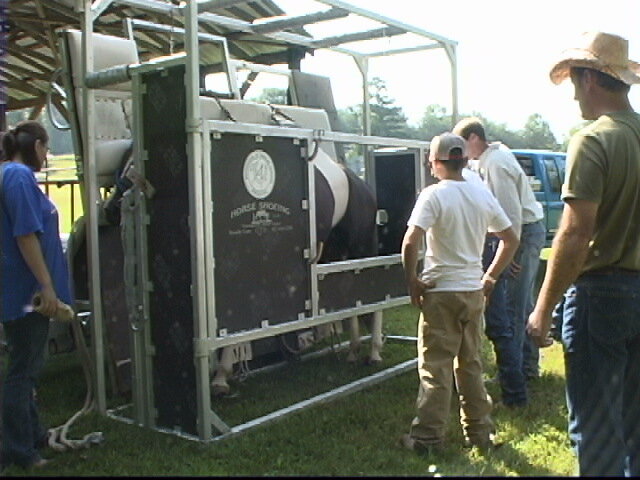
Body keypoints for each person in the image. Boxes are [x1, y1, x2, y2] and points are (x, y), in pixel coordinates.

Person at [528, 31, 640, 476]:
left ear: (591, 79)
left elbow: (575, 235)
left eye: (575, 82)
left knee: (596, 427)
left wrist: (542, 308)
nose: (574, 95)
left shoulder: (593, 139)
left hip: (602, 297)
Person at [400, 133, 518, 452]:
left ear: (436, 163)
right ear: (465, 161)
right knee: (471, 365)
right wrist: (490, 277)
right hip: (472, 291)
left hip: (441, 292)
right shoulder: (481, 195)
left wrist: (412, 280)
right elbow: (510, 238)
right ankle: (480, 434)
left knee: (435, 367)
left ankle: (427, 438)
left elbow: (411, 240)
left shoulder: (433, 195)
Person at [453, 117, 545, 407]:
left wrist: (509, 257)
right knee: (522, 304)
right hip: (521, 233)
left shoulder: (495, 163)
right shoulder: (488, 160)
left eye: (461, 145)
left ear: (473, 138)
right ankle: (528, 367)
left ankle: (518, 373)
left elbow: (510, 213)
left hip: (522, 232)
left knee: (513, 308)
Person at [0, 120, 73, 470]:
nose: (47, 154)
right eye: (45, 147)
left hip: (22, 290)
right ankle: (19, 450)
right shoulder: (17, 177)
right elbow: (26, 235)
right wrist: (46, 286)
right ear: (33, 145)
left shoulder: (11, 175)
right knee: (22, 372)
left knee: (27, 366)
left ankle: (32, 435)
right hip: (26, 293)